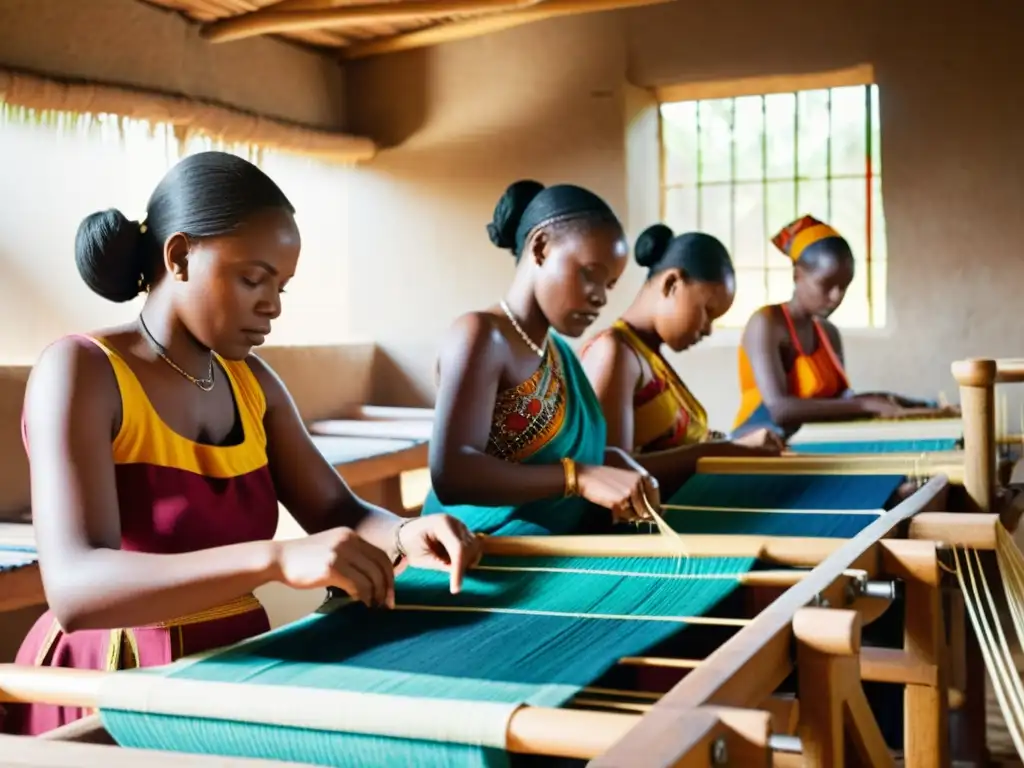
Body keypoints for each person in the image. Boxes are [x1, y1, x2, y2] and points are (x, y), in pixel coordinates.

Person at [2, 151, 480, 737]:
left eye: (281, 285)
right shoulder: (81, 371)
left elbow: (338, 511)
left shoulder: (252, 383)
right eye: (253, 278)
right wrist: (275, 559)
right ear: (179, 257)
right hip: (113, 682)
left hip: (233, 662)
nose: (273, 305)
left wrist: (406, 533)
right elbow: (77, 588)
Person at [421, 180, 660, 537]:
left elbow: (574, 455)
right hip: (476, 554)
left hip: (550, 548)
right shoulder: (481, 335)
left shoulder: (557, 351)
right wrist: (578, 477)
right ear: (542, 248)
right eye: (590, 275)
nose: (600, 299)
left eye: (608, 285)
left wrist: (619, 465)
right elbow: (453, 473)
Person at [581, 224, 783, 495]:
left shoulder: (648, 355)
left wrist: (737, 443)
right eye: (707, 311)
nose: (707, 329)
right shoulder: (614, 351)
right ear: (672, 283)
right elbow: (614, 474)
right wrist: (721, 451)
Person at [732, 214, 956, 439]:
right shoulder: (767, 323)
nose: (836, 296)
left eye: (844, 286)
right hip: (755, 449)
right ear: (797, 275)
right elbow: (780, 410)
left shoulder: (828, 333)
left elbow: (842, 403)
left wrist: (913, 405)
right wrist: (865, 406)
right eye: (826, 285)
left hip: (805, 446)